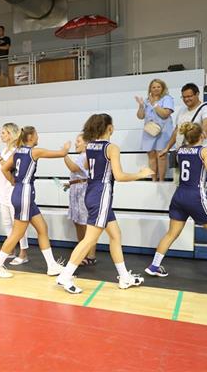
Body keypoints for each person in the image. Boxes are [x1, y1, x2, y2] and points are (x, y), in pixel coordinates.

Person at [56, 114, 154, 293]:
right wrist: (140, 174)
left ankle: (124, 277)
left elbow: (86, 167)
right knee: (89, 239)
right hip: (101, 196)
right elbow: (119, 176)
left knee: (115, 235)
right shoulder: (112, 148)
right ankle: (65, 275)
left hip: (92, 193)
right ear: (110, 128)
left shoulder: (90, 146)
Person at [0, 126, 70, 278]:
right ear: (31, 137)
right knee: (17, 233)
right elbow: (62, 153)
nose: (38, 137)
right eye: (37, 135)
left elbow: (4, 168)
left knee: (42, 228)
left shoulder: (17, 151)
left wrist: (13, 181)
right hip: (24, 194)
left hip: (21, 193)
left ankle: (52, 265)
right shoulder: (34, 152)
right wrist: (66, 147)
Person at [145, 123, 207, 282]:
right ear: (202, 135)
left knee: (171, 233)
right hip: (195, 196)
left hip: (179, 196)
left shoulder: (180, 150)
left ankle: (154, 266)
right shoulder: (205, 151)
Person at [0, 123, 29, 265]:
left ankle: (23, 253)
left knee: (18, 225)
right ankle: (11, 250)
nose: (1, 135)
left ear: (10, 134)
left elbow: (11, 170)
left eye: (3, 132)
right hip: (3, 193)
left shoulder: (16, 151)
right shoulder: (3, 151)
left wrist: (0, 160)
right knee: (7, 224)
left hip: (13, 192)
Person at [159, 83, 207, 163]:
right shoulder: (181, 110)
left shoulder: (206, 109)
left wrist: (203, 132)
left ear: (197, 94)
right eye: (184, 97)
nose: (186, 99)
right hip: (182, 153)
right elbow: (176, 131)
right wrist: (167, 148)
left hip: (199, 153)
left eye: (189, 96)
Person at [63, 134, 95, 265]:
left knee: (84, 223)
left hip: (82, 192)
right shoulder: (81, 155)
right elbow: (79, 175)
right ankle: (82, 251)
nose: (76, 143)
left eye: (78, 141)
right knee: (78, 222)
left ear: (86, 144)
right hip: (76, 190)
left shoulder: (86, 155)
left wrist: (64, 154)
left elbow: (74, 168)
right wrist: (70, 184)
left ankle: (89, 255)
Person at [135, 79, 174, 181]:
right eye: (153, 87)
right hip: (149, 131)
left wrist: (154, 104)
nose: (156, 89)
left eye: (158, 87)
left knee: (161, 156)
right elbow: (140, 116)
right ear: (150, 89)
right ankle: (153, 179)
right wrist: (141, 106)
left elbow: (165, 114)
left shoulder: (167, 98)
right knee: (151, 155)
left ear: (163, 88)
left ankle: (161, 180)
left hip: (163, 131)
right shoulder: (147, 100)